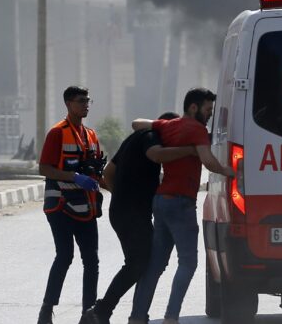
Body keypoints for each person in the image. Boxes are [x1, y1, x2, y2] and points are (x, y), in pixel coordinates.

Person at [128, 87, 235, 324]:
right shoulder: (196, 129)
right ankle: (171, 317)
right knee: (188, 262)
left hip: (161, 200)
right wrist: (229, 171)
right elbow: (208, 161)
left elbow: (136, 124)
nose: (210, 114)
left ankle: (137, 316)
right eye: (207, 109)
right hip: (180, 203)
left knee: (155, 264)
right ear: (194, 107)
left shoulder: (168, 125)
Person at [79, 112, 197, 324]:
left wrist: (121, 196)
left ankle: (127, 314)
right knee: (137, 264)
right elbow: (156, 155)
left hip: (122, 211)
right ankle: (100, 311)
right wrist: (190, 149)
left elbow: (108, 173)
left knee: (140, 263)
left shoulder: (134, 138)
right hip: (132, 214)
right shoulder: (150, 137)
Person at [37, 86, 106, 324]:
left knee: (92, 260)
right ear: (68, 103)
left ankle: (89, 313)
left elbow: (98, 171)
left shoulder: (91, 135)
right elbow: (44, 168)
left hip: (86, 207)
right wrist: (75, 177)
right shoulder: (57, 133)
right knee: (65, 255)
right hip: (60, 205)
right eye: (81, 101)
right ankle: (47, 309)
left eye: (88, 100)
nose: (86, 105)